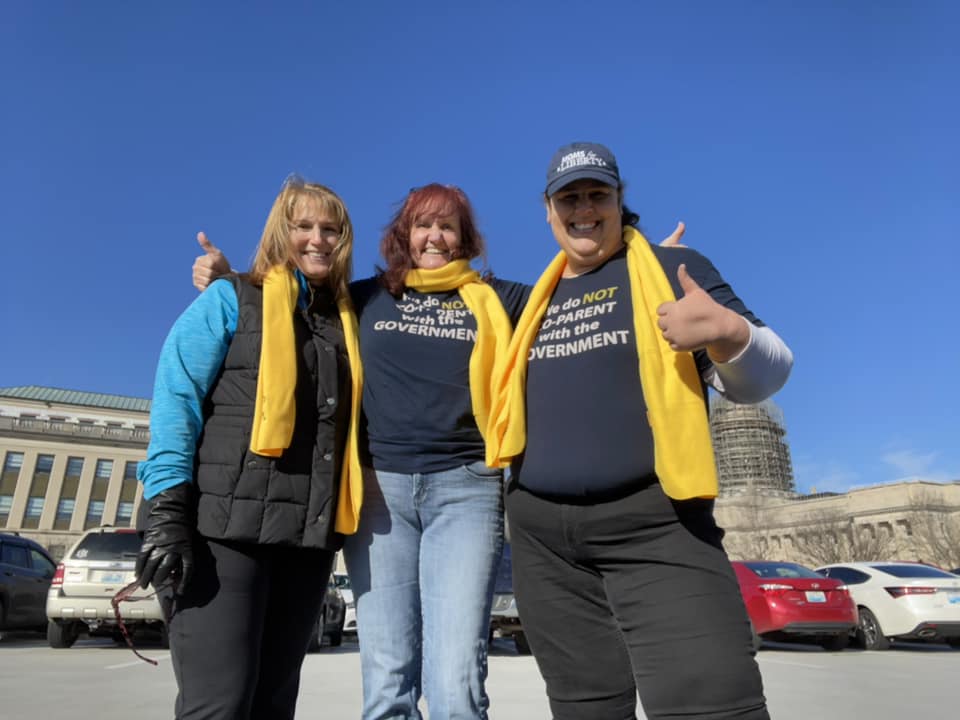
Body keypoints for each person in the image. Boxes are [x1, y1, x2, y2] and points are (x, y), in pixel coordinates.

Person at [486, 142, 793, 720]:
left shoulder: (674, 270)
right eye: (568, 197)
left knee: (710, 705)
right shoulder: (533, 302)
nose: (584, 208)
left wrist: (726, 331)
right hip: (545, 547)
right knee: (585, 710)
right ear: (547, 212)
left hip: (658, 528)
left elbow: (767, 373)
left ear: (619, 201)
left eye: (597, 194)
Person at [136, 177, 363, 720]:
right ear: (280, 233)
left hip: (304, 544)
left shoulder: (344, 324)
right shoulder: (230, 298)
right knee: (220, 704)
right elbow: (176, 396)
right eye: (303, 226)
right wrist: (167, 509)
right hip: (219, 533)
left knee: (272, 704)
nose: (317, 239)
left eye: (330, 229)